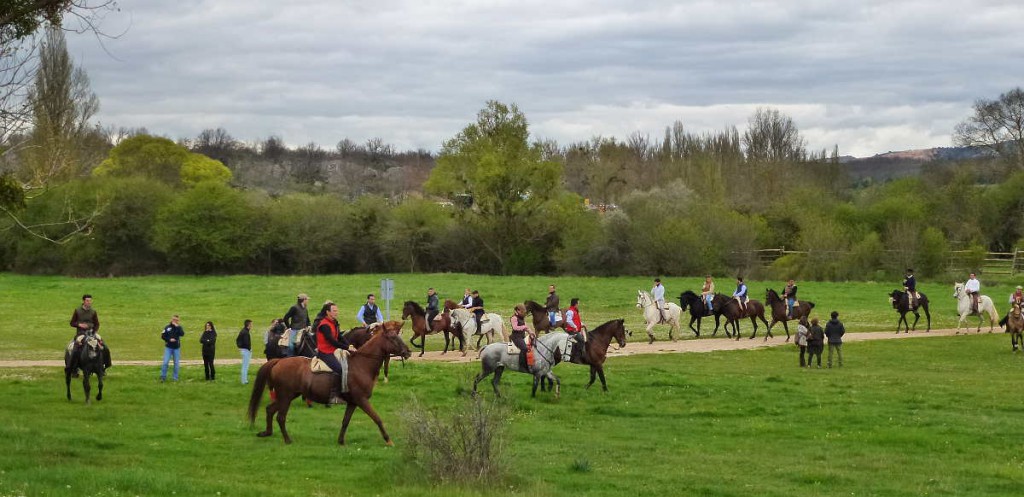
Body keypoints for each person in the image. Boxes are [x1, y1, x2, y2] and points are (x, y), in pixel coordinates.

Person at [315, 303, 352, 404]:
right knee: (339, 369)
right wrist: (347, 347)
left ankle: (346, 392)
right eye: (334, 311)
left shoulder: (334, 322)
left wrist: (350, 346)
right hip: (324, 352)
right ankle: (334, 396)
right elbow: (332, 341)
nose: (336, 312)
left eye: (337, 310)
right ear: (328, 312)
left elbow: (339, 336)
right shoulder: (324, 325)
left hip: (333, 351)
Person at [69, 294, 109, 375]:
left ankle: (103, 367)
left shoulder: (93, 312)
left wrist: (94, 332)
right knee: (75, 348)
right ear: (83, 301)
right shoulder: (77, 311)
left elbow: (97, 324)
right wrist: (79, 325)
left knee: (104, 346)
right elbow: (72, 323)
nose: (89, 302)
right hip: (81, 333)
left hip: (92, 333)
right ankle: (74, 368)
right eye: (87, 301)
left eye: (90, 301)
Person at [509, 304, 535, 369]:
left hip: (522, 336)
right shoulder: (513, 318)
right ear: (517, 310)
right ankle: (521, 365)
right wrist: (524, 327)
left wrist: (531, 332)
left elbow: (526, 327)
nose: (523, 314)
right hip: (516, 337)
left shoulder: (522, 318)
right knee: (524, 348)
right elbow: (515, 328)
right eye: (522, 312)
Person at [160, 315, 184, 382]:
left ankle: (175, 378)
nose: (175, 321)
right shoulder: (167, 327)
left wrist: (177, 327)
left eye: (177, 320)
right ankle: (163, 377)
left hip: (176, 348)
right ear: (171, 319)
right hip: (168, 347)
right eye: (174, 319)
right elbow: (163, 336)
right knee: (165, 362)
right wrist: (169, 339)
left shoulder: (179, 327)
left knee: (176, 364)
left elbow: (182, 334)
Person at [236, 319, 252, 385]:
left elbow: (237, 340)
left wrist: (239, 347)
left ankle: (244, 380)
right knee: (245, 366)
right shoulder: (245, 332)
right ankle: (244, 381)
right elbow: (246, 342)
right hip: (246, 351)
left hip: (243, 350)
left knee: (244, 366)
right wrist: (249, 349)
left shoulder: (243, 331)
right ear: (248, 325)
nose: (252, 326)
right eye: (251, 324)